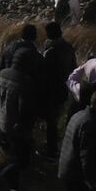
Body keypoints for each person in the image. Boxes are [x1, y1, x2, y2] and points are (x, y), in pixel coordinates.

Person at [0, 25, 41, 172]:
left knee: (6, 120)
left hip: (5, 88)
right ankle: (19, 164)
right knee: (21, 133)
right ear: (34, 37)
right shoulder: (32, 54)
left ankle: (6, 152)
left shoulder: (9, 48)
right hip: (23, 91)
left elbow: (0, 70)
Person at [35, 22, 76, 152]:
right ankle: (55, 146)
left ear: (48, 34)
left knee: (51, 121)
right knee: (56, 119)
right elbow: (73, 68)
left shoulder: (50, 52)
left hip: (51, 91)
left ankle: (51, 149)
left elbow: (43, 73)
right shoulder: (68, 47)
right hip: (63, 88)